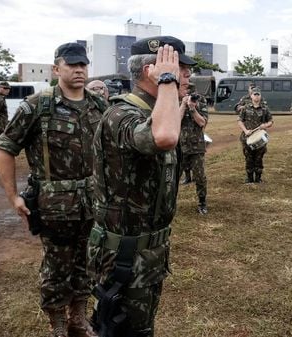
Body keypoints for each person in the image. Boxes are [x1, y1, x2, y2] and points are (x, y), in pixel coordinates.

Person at [0, 43, 106, 337]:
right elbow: (5, 147)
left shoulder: (99, 106)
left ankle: (79, 318)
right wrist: (12, 196)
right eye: (72, 65)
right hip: (54, 204)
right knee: (57, 265)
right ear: (57, 69)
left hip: (93, 202)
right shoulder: (37, 106)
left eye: (83, 64)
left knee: (87, 262)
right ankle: (57, 323)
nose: (79, 69)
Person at [88, 36, 195, 337]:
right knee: (122, 331)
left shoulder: (154, 112)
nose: (187, 75)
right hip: (124, 255)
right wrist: (167, 80)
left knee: (140, 329)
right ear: (152, 72)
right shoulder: (121, 114)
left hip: (147, 252)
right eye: (180, 68)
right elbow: (162, 138)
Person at [180, 82, 209, 214]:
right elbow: (175, 120)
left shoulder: (200, 102)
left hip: (196, 146)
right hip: (179, 146)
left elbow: (202, 122)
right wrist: (182, 105)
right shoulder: (175, 101)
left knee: (200, 177)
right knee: (173, 177)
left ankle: (202, 203)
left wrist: (192, 108)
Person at [237, 86, 273, 183]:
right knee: (248, 158)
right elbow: (240, 121)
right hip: (247, 138)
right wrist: (245, 130)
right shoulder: (245, 108)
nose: (256, 96)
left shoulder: (265, 109)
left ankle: (258, 178)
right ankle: (249, 178)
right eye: (254, 94)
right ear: (251, 96)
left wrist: (265, 125)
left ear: (260, 96)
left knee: (259, 158)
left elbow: (271, 121)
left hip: (260, 138)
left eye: (258, 94)